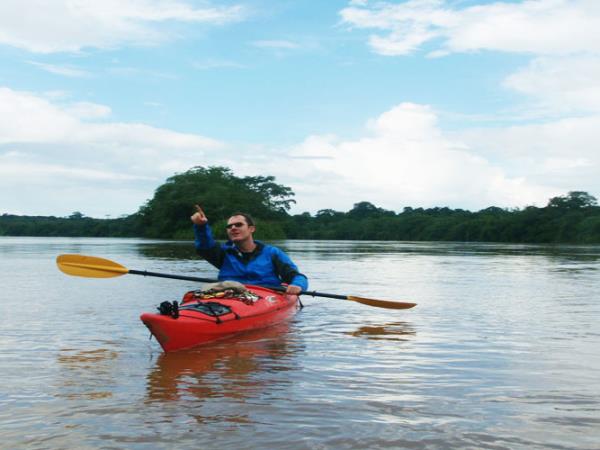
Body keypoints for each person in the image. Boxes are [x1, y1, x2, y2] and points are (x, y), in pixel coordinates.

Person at [191, 205, 308, 295]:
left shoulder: (272, 253)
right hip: (229, 295)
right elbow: (204, 245)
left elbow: (297, 276)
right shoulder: (222, 253)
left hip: (266, 296)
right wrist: (201, 226)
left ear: (251, 229)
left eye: (238, 225)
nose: (233, 228)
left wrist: (297, 285)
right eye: (229, 226)